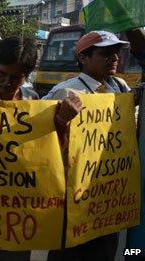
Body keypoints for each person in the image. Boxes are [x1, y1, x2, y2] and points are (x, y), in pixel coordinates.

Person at [0, 36, 82, 261]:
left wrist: (62, 122)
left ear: (26, 76)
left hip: (20, 205)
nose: (7, 82)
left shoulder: (35, 102)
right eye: (2, 74)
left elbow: (49, 151)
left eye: (15, 77)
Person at [44, 30, 133, 261]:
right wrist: (62, 120)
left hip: (107, 195)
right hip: (74, 195)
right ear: (84, 58)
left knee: (105, 250)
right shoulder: (66, 91)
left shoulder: (121, 88)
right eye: (105, 53)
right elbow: (41, 141)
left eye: (115, 52)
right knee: (68, 252)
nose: (114, 58)